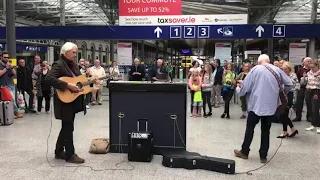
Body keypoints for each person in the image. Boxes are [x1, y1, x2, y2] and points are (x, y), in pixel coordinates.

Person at [234, 54, 292, 163]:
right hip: (270, 107)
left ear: (259, 62)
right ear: (269, 61)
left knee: (250, 128)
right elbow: (289, 84)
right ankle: (263, 155)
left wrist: (238, 89)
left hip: (256, 106)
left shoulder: (255, 70)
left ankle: (245, 151)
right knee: (266, 130)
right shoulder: (277, 70)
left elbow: (245, 88)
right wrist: (279, 91)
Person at [45, 42, 86, 164]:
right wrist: (67, 85)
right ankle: (70, 154)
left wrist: (87, 81)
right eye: (73, 52)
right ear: (65, 52)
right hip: (64, 101)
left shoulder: (72, 65)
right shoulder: (59, 64)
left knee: (67, 126)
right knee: (68, 127)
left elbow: (77, 80)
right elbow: (49, 78)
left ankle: (58, 152)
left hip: (71, 100)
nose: (75, 54)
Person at [277, 62, 299, 138]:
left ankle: (289, 130)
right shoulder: (283, 75)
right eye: (282, 69)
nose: (283, 70)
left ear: (289, 69)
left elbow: (294, 87)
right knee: (284, 115)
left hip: (290, 96)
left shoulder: (293, 75)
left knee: (284, 114)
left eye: (285, 69)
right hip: (284, 96)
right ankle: (288, 130)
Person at [0, 52, 24, 118]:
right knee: (11, 99)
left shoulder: (8, 64)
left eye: (7, 57)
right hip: (4, 85)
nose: (6, 59)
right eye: (5, 57)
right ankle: (16, 112)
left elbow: (15, 74)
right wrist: (6, 68)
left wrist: (12, 68)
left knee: (10, 100)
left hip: (11, 84)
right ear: (1, 57)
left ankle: (9, 113)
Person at [301, 60, 320, 133]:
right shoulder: (309, 73)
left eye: (313, 67)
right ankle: (312, 124)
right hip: (308, 90)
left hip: (316, 91)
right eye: (310, 67)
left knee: (315, 108)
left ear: (317, 66)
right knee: (310, 108)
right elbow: (303, 83)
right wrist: (304, 78)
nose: (312, 68)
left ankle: (318, 125)